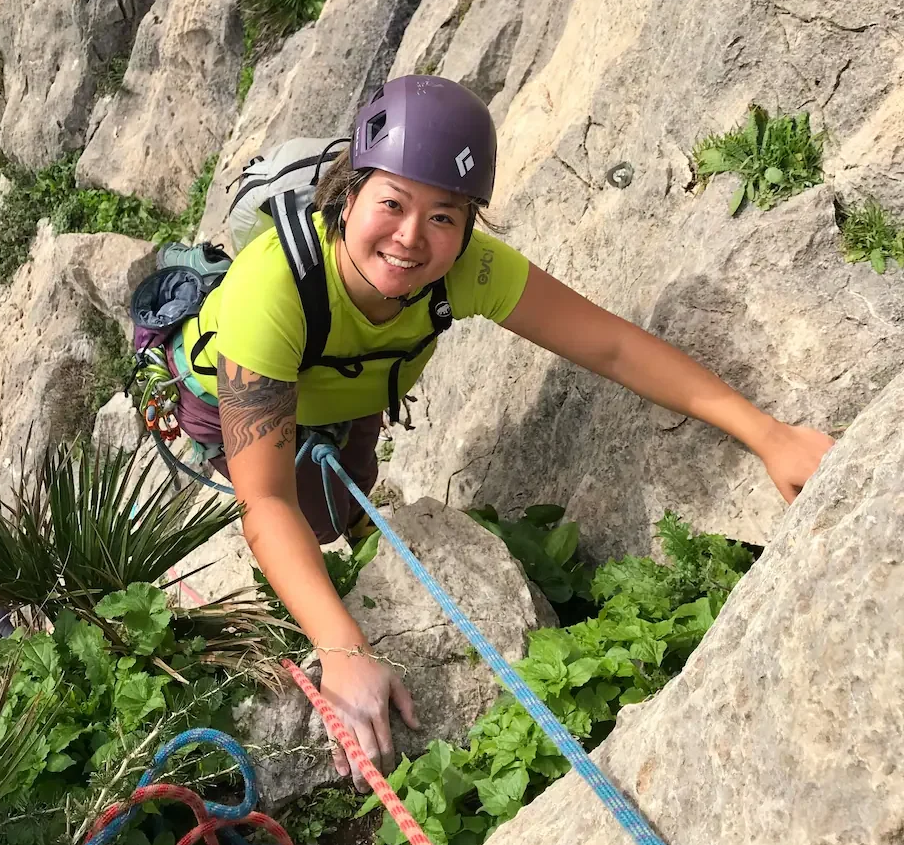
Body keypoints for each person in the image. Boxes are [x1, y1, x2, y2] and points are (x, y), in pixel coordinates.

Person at [182, 75, 833, 792]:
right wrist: (341, 649)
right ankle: (311, 598)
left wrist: (767, 433)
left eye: (443, 217)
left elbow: (612, 347)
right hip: (243, 393)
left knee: (342, 503)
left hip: (352, 392)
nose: (410, 238)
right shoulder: (270, 293)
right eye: (392, 204)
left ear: (465, 227)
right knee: (300, 512)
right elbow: (263, 503)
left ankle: (345, 543)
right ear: (348, 195)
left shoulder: (462, 269)